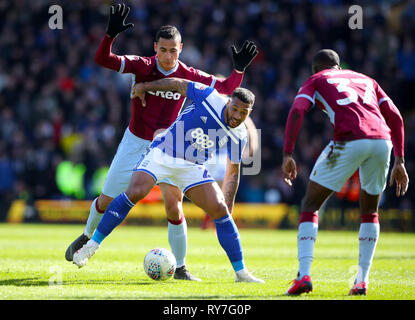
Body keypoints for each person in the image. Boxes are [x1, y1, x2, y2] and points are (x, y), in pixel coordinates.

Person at [65, 4, 258, 281]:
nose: (168, 56)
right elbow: (103, 60)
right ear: (155, 47)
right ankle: (86, 237)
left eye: (174, 50)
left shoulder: (189, 74)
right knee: (107, 200)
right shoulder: (143, 65)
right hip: (136, 141)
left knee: (173, 204)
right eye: (163, 50)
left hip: (171, 146)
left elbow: (227, 90)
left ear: (181, 49)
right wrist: (109, 36)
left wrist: (238, 69)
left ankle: (180, 268)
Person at [73, 77, 265, 283]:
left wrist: (228, 210)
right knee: (135, 191)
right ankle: (92, 245)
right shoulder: (210, 97)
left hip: (191, 166)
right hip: (162, 153)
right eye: (235, 109)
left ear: (249, 113)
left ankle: (241, 273)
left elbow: (233, 173)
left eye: (243, 113)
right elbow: (178, 84)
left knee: (219, 209)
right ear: (228, 103)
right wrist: (145, 86)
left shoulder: (241, 134)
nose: (237, 116)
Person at [282, 49, 409, 295]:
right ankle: (362, 281)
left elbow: (297, 111)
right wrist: (400, 160)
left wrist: (288, 153)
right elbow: (395, 116)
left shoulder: (316, 79)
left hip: (349, 139)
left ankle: (304, 276)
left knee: (310, 204)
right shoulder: (366, 79)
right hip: (383, 142)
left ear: (316, 69)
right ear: (339, 66)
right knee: (370, 211)